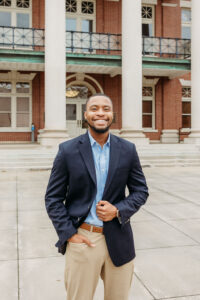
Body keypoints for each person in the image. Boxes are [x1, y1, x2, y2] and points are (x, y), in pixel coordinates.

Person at [45, 93, 149, 300]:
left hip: (119, 238)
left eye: (106, 109)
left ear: (113, 115)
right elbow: (53, 198)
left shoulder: (128, 149)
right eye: (94, 109)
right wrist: (69, 234)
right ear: (86, 115)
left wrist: (119, 210)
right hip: (83, 238)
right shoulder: (68, 150)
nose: (100, 113)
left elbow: (141, 191)